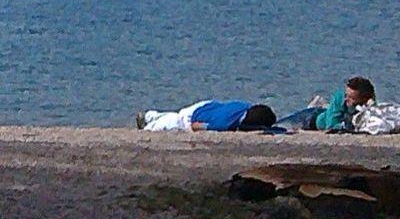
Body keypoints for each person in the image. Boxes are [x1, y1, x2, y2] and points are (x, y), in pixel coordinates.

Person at [278, 76, 376, 132]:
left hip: (324, 112)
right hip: (310, 119)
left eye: (352, 98)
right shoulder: (339, 98)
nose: (346, 99)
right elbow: (331, 125)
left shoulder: (369, 106)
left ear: (364, 99)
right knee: (280, 125)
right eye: (346, 95)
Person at [137, 100, 277, 132]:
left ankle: (149, 115)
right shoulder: (223, 124)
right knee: (165, 125)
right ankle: (149, 123)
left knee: (175, 115)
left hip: (208, 105)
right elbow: (195, 126)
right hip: (190, 117)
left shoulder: (243, 105)